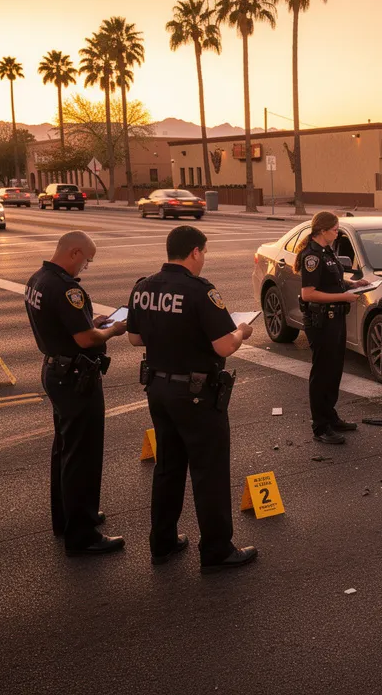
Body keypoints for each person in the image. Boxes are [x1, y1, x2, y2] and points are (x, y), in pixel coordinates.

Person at [127, 225, 258, 573]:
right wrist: (242, 332)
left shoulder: (143, 287)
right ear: (195, 252)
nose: (204, 260)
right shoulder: (201, 291)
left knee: (168, 467)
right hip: (196, 395)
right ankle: (217, 551)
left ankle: (163, 542)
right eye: (204, 253)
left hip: (158, 390)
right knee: (209, 472)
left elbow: (135, 339)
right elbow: (225, 345)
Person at [23, 231, 127, 557]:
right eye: (86, 261)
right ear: (75, 252)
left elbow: (68, 326)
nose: (85, 267)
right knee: (82, 454)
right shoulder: (67, 289)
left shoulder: (37, 280)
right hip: (76, 378)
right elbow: (85, 339)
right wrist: (113, 329)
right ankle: (81, 535)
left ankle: (67, 517)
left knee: (64, 449)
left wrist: (91, 321)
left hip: (55, 370)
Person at [299, 211, 370, 444]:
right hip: (321, 321)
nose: (337, 232)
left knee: (334, 370)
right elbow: (308, 294)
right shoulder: (312, 256)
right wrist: (343, 296)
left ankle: (331, 416)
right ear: (322, 230)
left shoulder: (327, 251)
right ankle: (320, 427)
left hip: (336, 318)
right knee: (322, 373)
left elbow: (333, 281)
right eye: (334, 229)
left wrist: (353, 284)